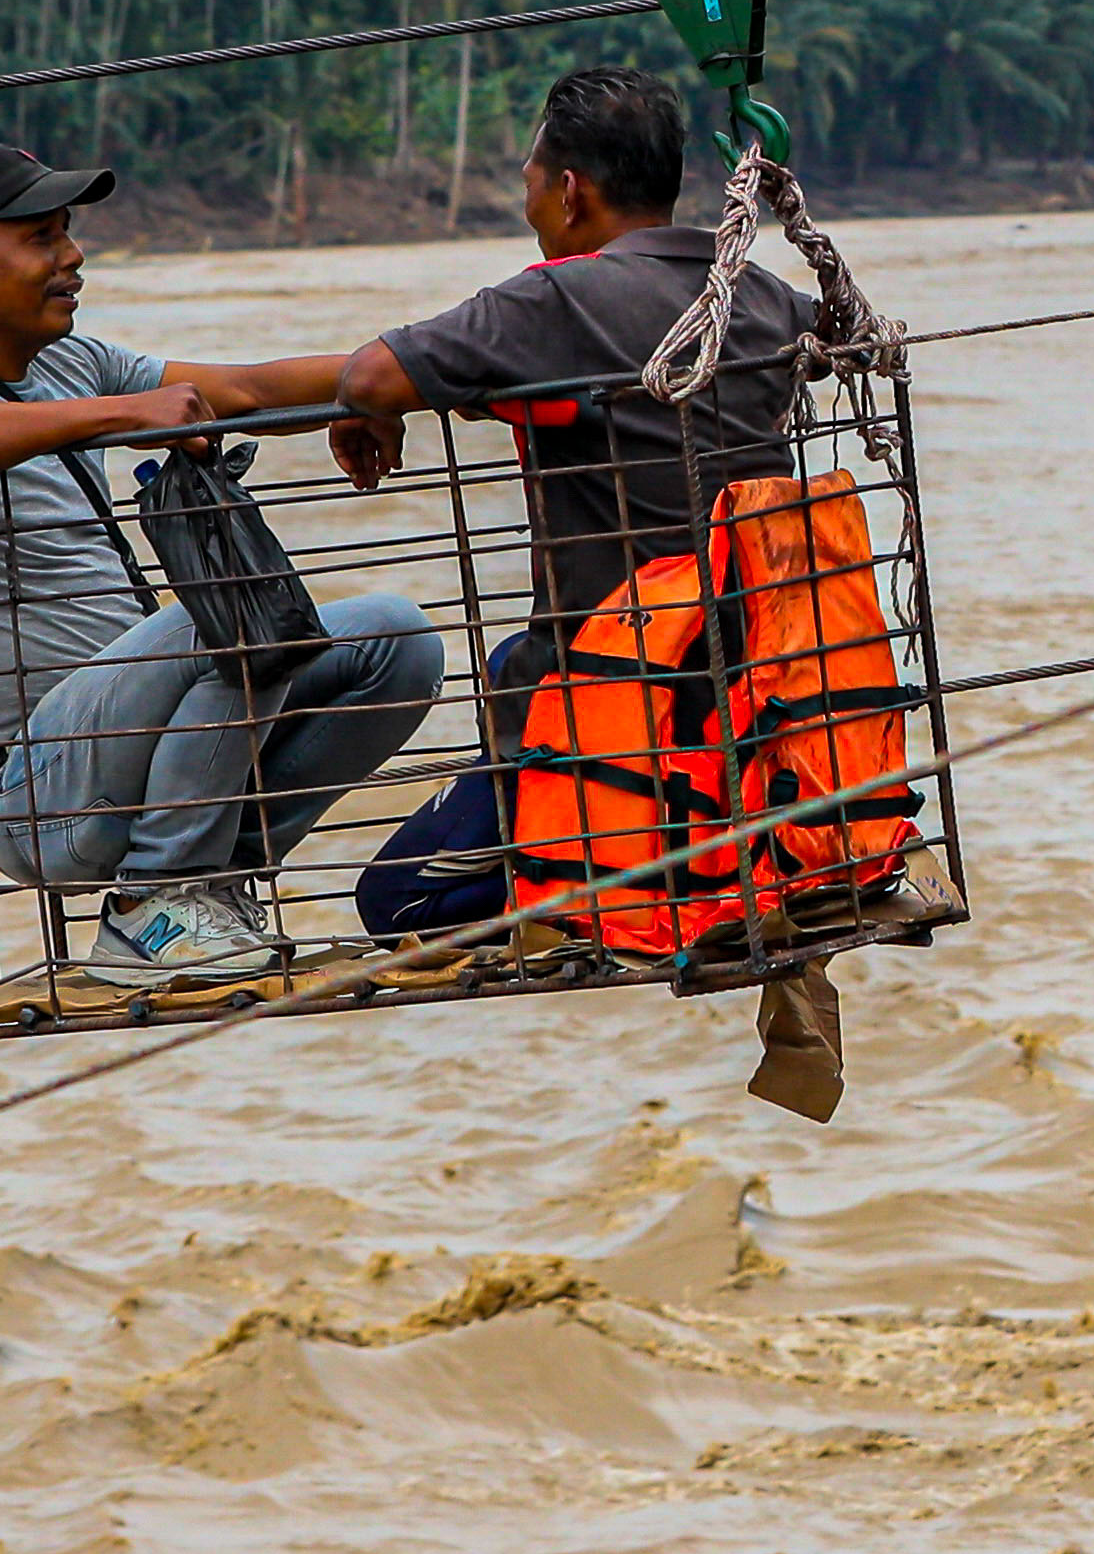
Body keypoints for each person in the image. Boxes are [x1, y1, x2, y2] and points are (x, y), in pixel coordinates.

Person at [108, 64, 848, 1117]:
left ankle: (609, 891)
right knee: (513, 671)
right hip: (758, 696)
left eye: (532, 183)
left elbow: (369, 375)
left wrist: (379, 405)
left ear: (573, 193)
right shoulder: (759, 295)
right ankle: (710, 881)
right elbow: (637, 397)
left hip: (619, 709)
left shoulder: (560, 297)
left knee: (396, 895)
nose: (531, 203)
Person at [0, 136, 444, 993]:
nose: (72, 257)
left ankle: (208, 878)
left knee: (398, 639)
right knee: (232, 609)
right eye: (43, 238)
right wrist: (114, 416)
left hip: (141, 752)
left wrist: (391, 381)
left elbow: (252, 392)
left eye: (68, 234)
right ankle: (151, 906)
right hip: (28, 795)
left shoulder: (71, 365)